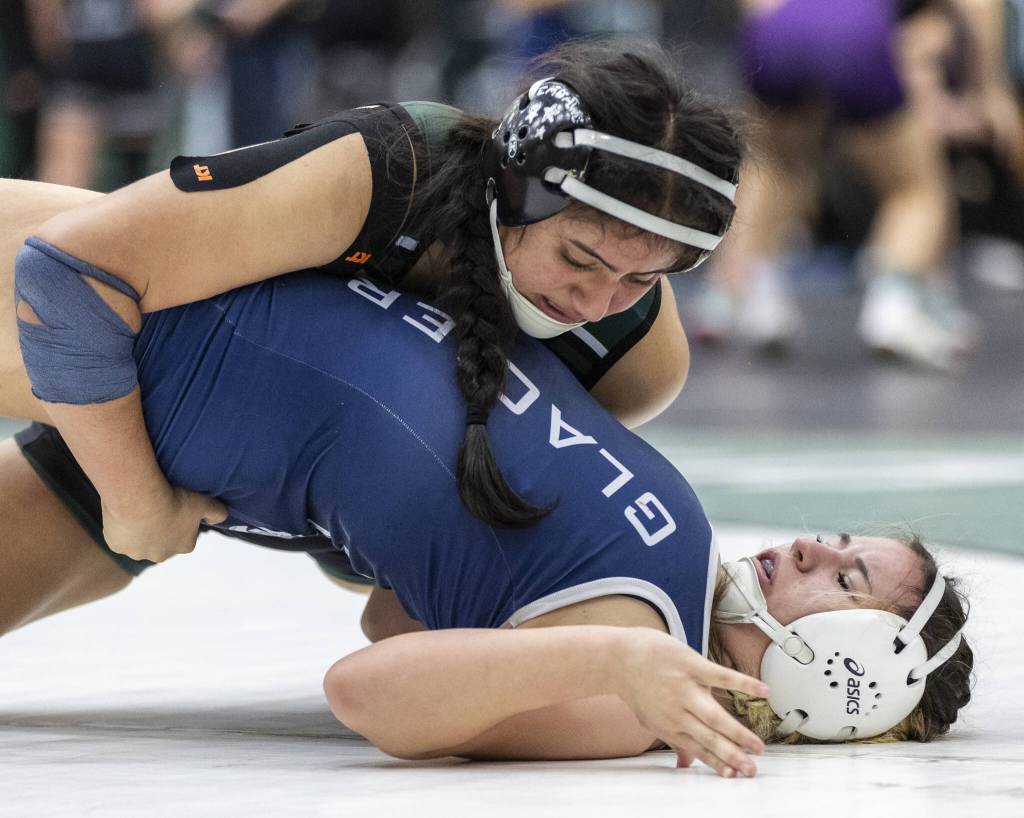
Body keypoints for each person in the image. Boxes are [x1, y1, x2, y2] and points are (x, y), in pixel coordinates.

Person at [0, 179, 974, 773]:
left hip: (186, 365)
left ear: (843, 673)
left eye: (842, 580)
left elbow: (368, 683)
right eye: (841, 542)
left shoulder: (618, 696)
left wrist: (605, 661)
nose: (809, 544)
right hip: (225, 299)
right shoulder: (668, 568)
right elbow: (400, 606)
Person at [12, 38, 741, 564]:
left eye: (642, 279)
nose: (597, 299)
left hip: (189, 448)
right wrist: (137, 503)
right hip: (100, 367)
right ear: (514, 190)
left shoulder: (637, 359)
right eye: (579, 257)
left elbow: (440, 513)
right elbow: (63, 275)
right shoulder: (391, 170)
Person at [700, 0, 971, 369]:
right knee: (915, 189)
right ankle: (893, 305)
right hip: (856, 34)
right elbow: (973, 12)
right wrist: (989, 88)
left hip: (776, 31)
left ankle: (754, 292)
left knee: (775, 166)